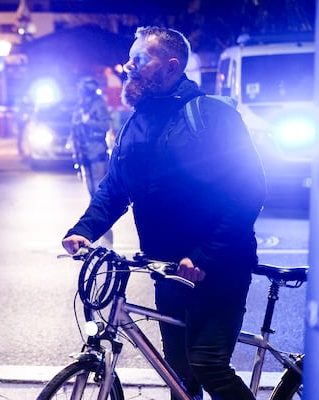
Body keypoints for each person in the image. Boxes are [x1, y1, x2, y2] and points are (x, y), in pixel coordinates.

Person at [62, 26, 265, 400]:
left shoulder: (211, 116)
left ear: (171, 66)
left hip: (218, 271)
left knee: (208, 365)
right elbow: (116, 187)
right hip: (168, 270)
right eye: (130, 57)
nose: (128, 66)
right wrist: (84, 230)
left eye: (139, 59)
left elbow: (248, 192)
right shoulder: (136, 122)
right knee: (178, 375)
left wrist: (203, 256)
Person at [69, 76, 112, 197]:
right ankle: (94, 207)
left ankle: (98, 210)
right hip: (83, 149)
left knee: (99, 184)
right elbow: (74, 125)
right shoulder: (80, 105)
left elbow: (106, 125)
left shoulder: (98, 104)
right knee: (88, 182)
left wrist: (89, 122)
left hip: (96, 148)